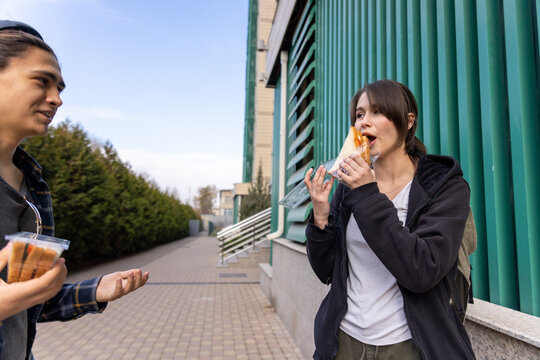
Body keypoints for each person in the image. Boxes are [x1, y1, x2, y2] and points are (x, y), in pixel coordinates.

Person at [0, 20, 149, 359]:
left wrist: (96, 290)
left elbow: (26, 302)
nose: (56, 99)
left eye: (60, 89)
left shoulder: (32, 184)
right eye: (42, 81)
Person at [304, 79, 476, 360]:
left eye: (377, 112)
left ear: (408, 121)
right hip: (344, 341)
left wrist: (367, 195)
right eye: (360, 115)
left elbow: (422, 270)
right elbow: (327, 270)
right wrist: (321, 217)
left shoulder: (444, 187)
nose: (364, 123)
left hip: (409, 346)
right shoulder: (349, 186)